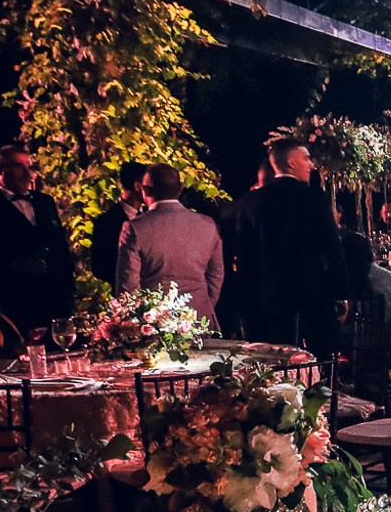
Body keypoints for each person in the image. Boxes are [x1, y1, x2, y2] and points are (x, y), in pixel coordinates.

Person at [231, 136, 344, 353]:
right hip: (312, 293)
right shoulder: (314, 198)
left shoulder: (251, 202)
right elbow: (331, 247)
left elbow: (245, 255)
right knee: (319, 357)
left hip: (269, 296)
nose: (311, 165)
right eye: (306, 158)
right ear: (291, 162)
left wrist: (245, 300)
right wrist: (340, 291)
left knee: (276, 359)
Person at [0, 144, 74, 337]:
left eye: (29, 167)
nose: (28, 174)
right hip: (15, 301)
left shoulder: (44, 201)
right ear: (0, 170)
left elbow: (59, 246)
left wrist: (68, 287)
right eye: (19, 167)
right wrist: (14, 265)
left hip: (56, 301)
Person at [115, 164, 226, 327]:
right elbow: (216, 275)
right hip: (198, 318)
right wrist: (203, 303)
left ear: (145, 190)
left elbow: (128, 286)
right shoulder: (207, 224)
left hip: (154, 323)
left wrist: (140, 320)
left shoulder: (135, 228)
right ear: (180, 188)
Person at [90, 162, 149, 292]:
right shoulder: (106, 221)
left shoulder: (151, 216)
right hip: (124, 295)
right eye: (148, 185)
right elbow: (99, 267)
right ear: (137, 186)